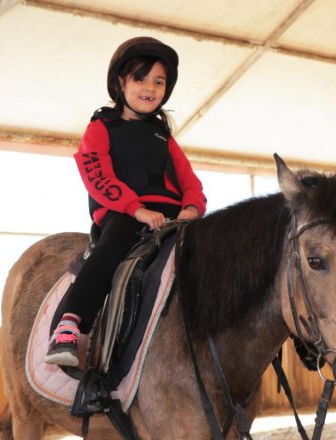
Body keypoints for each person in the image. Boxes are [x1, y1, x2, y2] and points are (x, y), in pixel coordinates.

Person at [45, 36, 207, 367]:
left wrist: (191, 208)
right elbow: (96, 176)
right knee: (110, 251)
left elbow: (189, 180)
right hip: (125, 214)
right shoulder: (102, 127)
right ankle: (69, 326)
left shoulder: (164, 137)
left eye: (158, 82)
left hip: (173, 218)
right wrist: (137, 210)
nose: (150, 88)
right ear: (121, 82)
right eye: (140, 79)